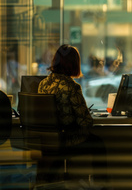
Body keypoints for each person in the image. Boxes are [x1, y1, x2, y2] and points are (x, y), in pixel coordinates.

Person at [38, 44, 108, 182]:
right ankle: (101, 184)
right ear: (74, 64)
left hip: (47, 140)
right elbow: (85, 121)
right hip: (66, 141)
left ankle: (49, 179)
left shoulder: (43, 84)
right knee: (98, 143)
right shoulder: (71, 86)